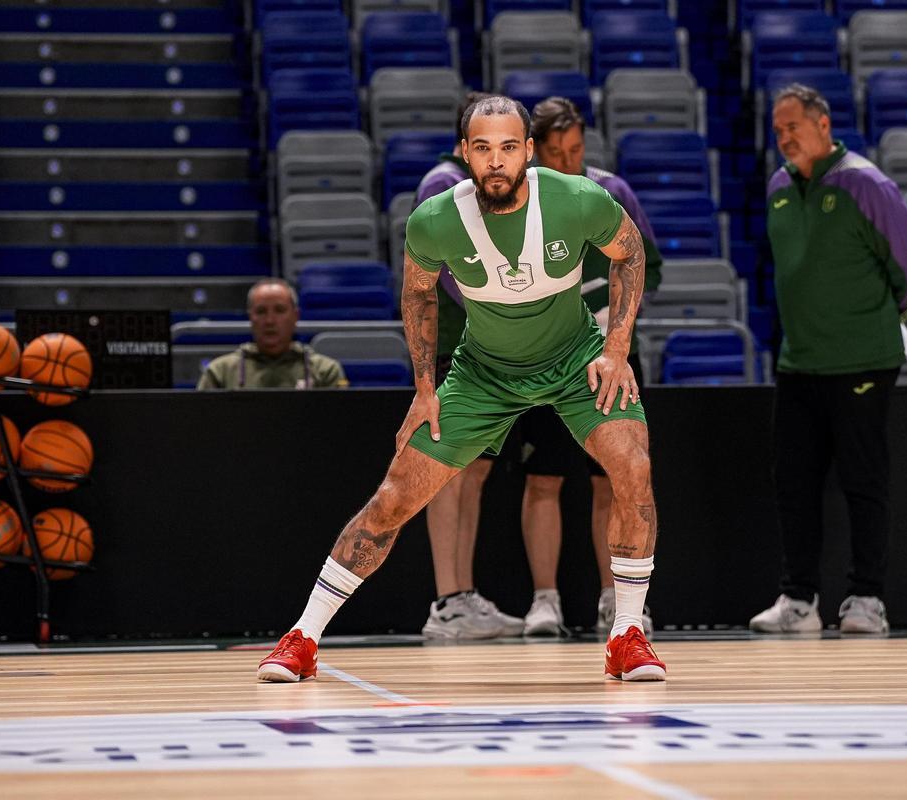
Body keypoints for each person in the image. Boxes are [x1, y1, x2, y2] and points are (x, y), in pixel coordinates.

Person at [257, 95, 666, 682]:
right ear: (465, 153)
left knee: (632, 468)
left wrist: (616, 349)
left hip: (577, 360)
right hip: (483, 372)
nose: (495, 161)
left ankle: (627, 634)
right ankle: (302, 637)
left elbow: (630, 255)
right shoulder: (434, 218)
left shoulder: (578, 200)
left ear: (528, 150)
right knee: (395, 495)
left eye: (507, 147)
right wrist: (425, 389)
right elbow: (418, 294)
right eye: (482, 148)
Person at [749, 84, 907, 635]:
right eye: (778, 130)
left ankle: (867, 599)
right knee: (793, 484)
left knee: (862, 482)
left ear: (823, 125)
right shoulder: (779, 186)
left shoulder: (865, 184)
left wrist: (873, 326)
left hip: (861, 362)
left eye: (793, 127)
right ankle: (799, 601)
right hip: (799, 362)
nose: (784, 139)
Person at [518, 97, 663, 637]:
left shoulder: (612, 191)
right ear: (536, 152)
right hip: (540, 357)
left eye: (575, 151)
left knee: (618, 479)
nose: (567, 162)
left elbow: (650, 264)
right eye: (555, 153)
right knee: (543, 480)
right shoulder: (519, 198)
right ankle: (545, 601)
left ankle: (617, 601)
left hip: (611, 356)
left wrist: (615, 327)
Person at [417, 91, 523, 640]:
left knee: (474, 474)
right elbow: (443, 273)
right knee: (447, 474)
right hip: (451, 349)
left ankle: (465, 594)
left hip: (489, 353)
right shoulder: (441, 185)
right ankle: (446, 600)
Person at [197, 278, 349, 390]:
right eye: (261, 312)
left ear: (295, 316)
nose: (270, 321)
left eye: (280, 310)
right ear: (251, 317)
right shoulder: (220, 372)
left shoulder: (325, 370)